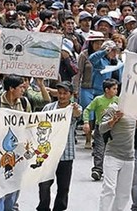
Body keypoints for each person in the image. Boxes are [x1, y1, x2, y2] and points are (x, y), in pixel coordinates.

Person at [0, 74, 32, 211]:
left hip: (19, 152)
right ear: (11, 88)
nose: (23, 90)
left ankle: (10, 207)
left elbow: (30, 125)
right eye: (21, 87)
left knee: (15, 183)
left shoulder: (24, 103)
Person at [37, 81, 82, 211]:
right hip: (48, 154)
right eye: (60, 93)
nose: (62, 96)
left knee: (63, 187)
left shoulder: (75, 108)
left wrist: (74, 111)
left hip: (66, 154)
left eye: (65, 93)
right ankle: (43, 207)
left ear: (71, 94)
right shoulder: (48, 108)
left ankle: (59, 208)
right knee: (44, 185)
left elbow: (77, 116)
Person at [98, 102, 137, 211]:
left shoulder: (136, 110)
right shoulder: (113, 108)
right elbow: (101, 128)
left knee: (124, 192)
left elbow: (135, 125)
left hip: (129, 157)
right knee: (109, 189)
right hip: (113, 155)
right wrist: (113, 120)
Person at [83, 79, 119, 181]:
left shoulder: (118, 100)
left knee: (113, 150)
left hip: (115, 128)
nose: (116, 91)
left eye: (116, 89)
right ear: (107, 90)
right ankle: (98, 170)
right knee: (99, 148)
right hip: (101, 128)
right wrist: (86, 122)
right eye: (114, 89)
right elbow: (87, 110)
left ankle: (112, 170)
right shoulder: (98, 100)